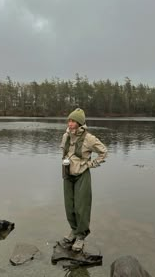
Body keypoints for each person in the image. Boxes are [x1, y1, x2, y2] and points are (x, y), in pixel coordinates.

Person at [60, 108, 107, 252]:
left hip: (82, 175)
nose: (70, 123)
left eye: (73, 121)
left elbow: (103, 152)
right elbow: (65, 152)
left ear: (80, 123)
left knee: (82, 207)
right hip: (67, 174)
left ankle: (80, 236)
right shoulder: (66, 136)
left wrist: (90, 164)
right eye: (69, 120)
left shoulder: (89, 138)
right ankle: (74, 230)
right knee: (69, 206)